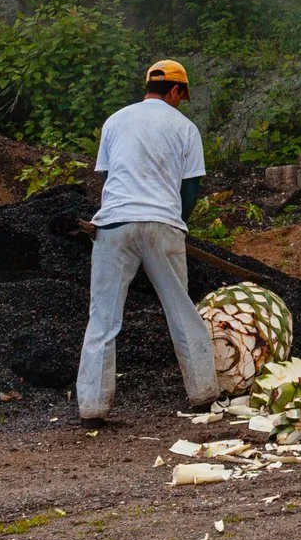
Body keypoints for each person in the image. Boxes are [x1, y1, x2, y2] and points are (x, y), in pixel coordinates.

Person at [77, 58, 219, 421]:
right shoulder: (185, 128)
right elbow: (190, 188)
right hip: (162, 225)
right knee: (181, 311)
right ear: (175, 90)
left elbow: (109, 177)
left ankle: (92, 405)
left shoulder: (114, 121)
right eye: (180, 96)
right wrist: (177, 224)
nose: (179, 102)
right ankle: (202, 392)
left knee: (103, 320)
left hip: (113, 226)